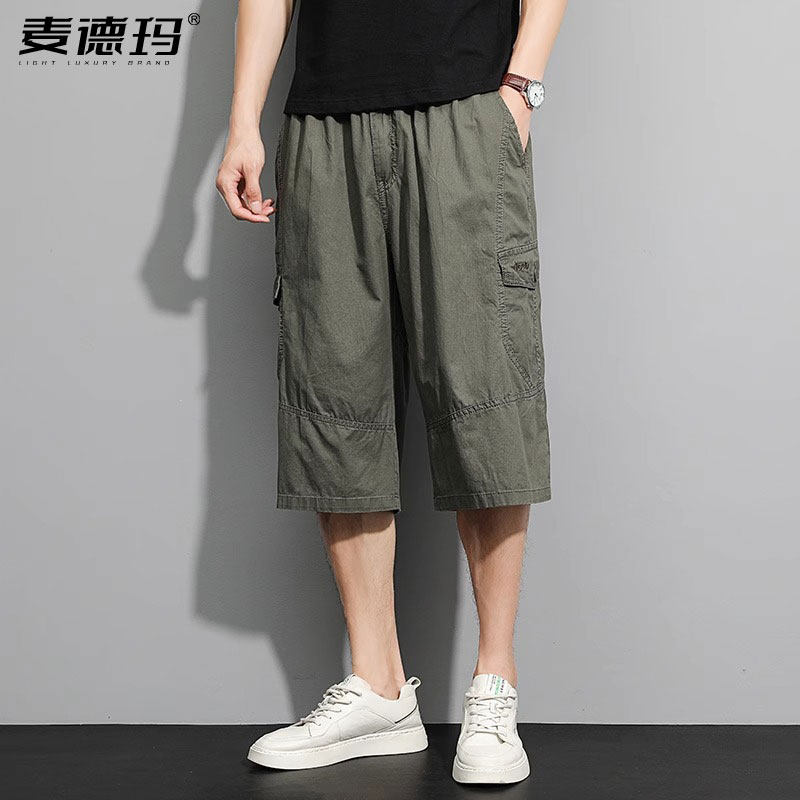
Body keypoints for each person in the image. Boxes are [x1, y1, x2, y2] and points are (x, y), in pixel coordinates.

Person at [216, 0, 567, 785]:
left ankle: (494, 685)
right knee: (334, 396)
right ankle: (378, 688)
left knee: (485, 394)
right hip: (324, 123)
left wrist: (521, 88)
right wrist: (243, 122)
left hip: (464, 112)